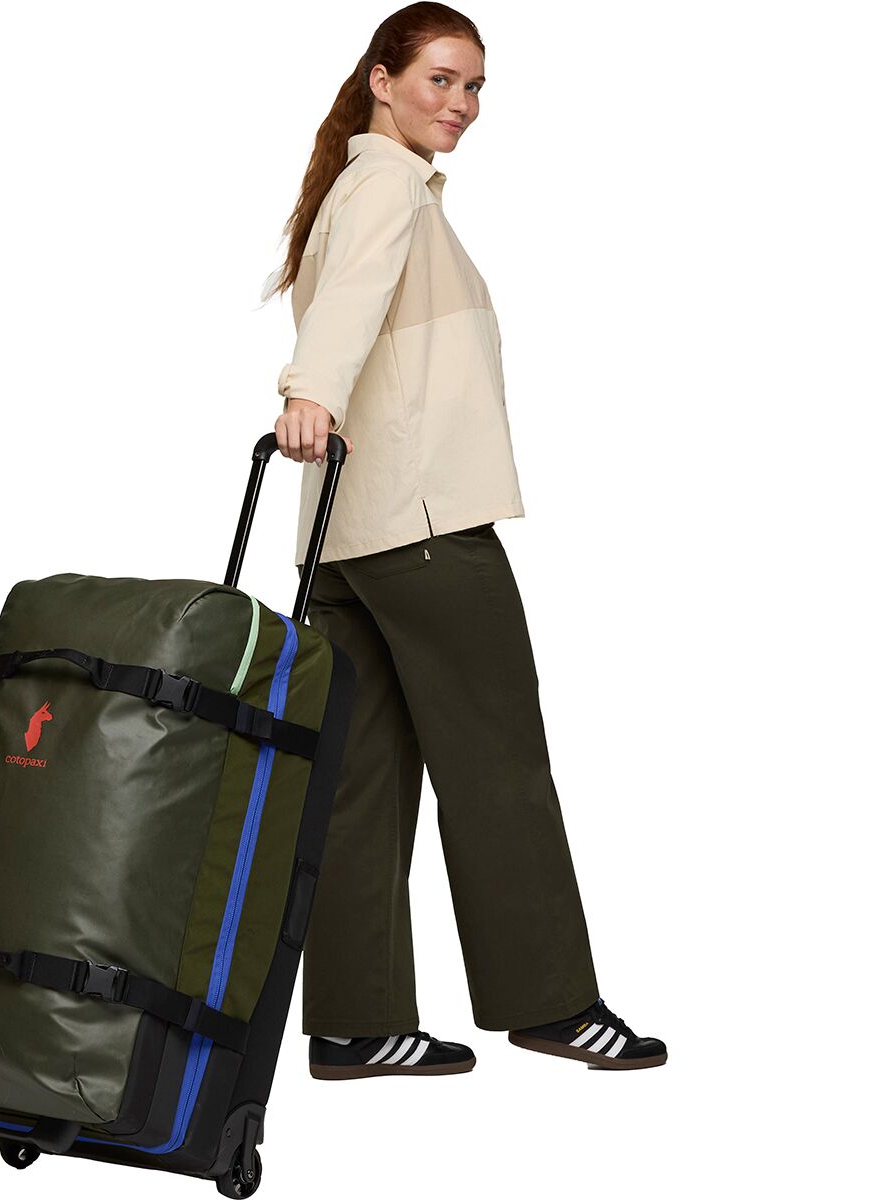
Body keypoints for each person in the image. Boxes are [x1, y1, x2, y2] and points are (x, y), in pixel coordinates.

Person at [264, 3, 667, 1076]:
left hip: (347, 535)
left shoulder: (354, 188)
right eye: (441, 79)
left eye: (476, 85)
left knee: (359, 778)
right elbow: (347, 311)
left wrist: (319, 398)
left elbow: (349, 305)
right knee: (498, 763)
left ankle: (356, 1025)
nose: (462, 104)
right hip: (426, 525)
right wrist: (308, 392)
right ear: (382, 79)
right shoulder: (387, 187)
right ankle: (552, 1003)